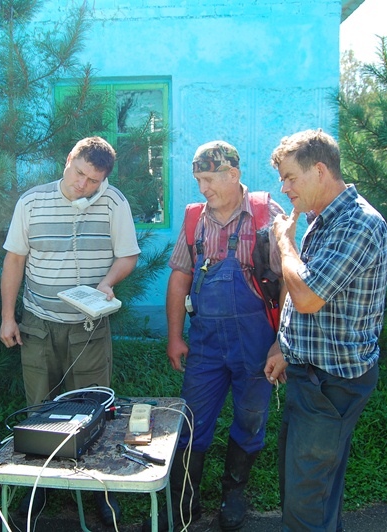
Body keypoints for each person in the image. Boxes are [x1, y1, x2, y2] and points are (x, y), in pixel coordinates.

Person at [0, 136, 140, 526]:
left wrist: (108, 282)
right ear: (67, 161)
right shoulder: (31, 202)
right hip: (39, 323)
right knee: (38, 409)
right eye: (79, 174)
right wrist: (8, 316)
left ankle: (100, 492)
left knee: (95, 408)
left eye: (94, 180)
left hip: (88, 327)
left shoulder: (114, 203)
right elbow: (14, 261)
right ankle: (37, 491)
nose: (83, 186)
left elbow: (127, 255)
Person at [152, 140, 285, 532]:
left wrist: (281, 342)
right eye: (198, 179)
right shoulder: (196, 219)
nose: (203, 188)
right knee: (192, 420)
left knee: (250, 417)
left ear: (233, 174)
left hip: (257, 343)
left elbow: (290, 282)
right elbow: (180, 277)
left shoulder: (264, 213)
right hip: (206, 343)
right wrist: (175, 337)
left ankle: (234, 493)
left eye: (209, 178)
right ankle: (183, 505)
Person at [265, 129, 387, 532]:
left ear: (319, 170)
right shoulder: (324, 218)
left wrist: (285, 244)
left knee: (307, 506)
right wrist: (286, 348)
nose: (284, 188)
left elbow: (307, 296)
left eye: (290, 178)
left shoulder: (359, 223)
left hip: (331, 385)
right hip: (311, 376)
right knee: (309, 493)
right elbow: (317, 300)